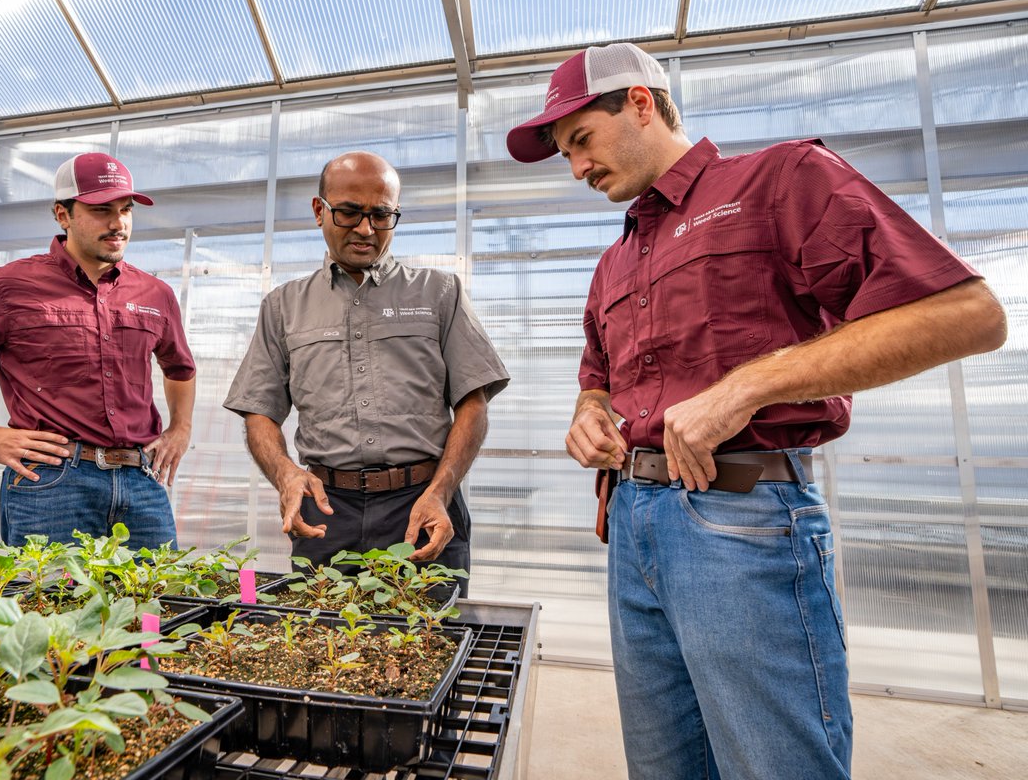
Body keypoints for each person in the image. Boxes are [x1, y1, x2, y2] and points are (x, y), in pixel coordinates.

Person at [506, 42, 1006, 779]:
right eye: (564, 154)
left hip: (740, 516)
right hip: (633, 526)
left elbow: (967, 314)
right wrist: (589, 413)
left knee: (772, 762)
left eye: (581, 140)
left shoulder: (781, 180)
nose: (577, 168)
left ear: (640, 104)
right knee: (663, 764)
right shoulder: (614, 262)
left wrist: (745, 387)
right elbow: (598, 378)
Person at [224, 151, 508, 593]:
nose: (365, 229)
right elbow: (259, 410)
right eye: (349, 212)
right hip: (325, 511)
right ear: (319, 210)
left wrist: (441, 491)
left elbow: (473, 402)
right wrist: (285, 474)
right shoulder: (283, 307)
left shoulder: (439, 293)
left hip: (421, 504)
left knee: (429, 630)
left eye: (381, 215)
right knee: (322, 631)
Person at [0, 153, 195, 550]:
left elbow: (179, 368)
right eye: (101, 210)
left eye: (125, 210)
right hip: (53, 481)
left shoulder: (155, 293)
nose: (118, 223)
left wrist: (180, 429)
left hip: (141, 481)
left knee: (157, 591)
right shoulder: (5, 287)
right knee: (52, 591)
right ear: (62, 214)